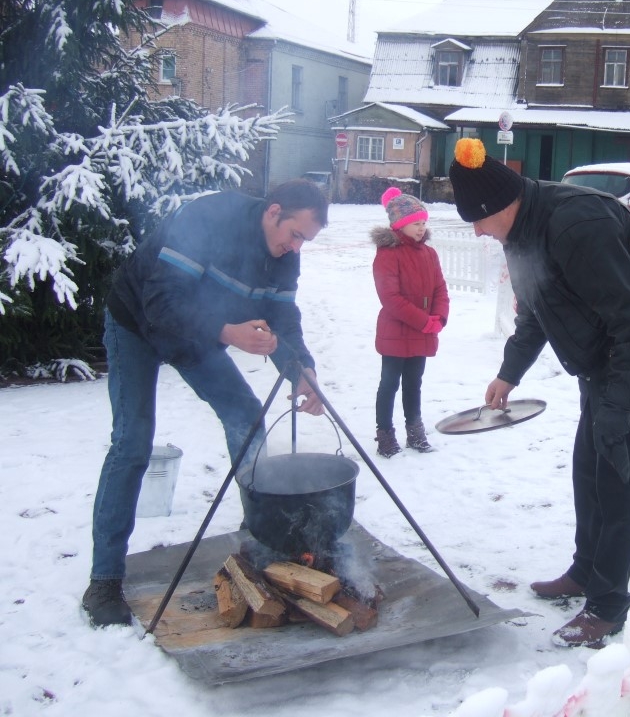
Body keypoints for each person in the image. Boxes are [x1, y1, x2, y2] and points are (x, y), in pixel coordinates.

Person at [448, 138, 630, 648]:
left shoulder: (575, 225)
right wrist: (509, 372)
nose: (476, 231)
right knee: (588, 467)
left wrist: (617, 405)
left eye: (477, 220)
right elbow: (536, 307)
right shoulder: (520, 230)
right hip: (606, 356)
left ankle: (608, 605)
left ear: (498, 206)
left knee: (617, 475)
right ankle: (586, 571)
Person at [82, 179, 329, 628]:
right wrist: (228, 331)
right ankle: (103, 579)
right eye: (295, 234)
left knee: (246, 417)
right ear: (273, 211)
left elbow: (283, 320)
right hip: (136, 322)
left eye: (304, 241)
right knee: (133, 441)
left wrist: (301, 372)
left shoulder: (284, 259)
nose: (296, 248)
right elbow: (160, 302)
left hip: (196, 335)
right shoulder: (209, 218)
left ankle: (261, 539)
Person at [370, 187, 449, 457]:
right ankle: (385, 435)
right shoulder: (387, 254)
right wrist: (423, 321)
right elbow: (390, 297)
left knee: (414, 383)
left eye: (424, 222)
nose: (421, 228)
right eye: (416, 223)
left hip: (423, 331)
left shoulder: (429, 254)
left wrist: (438, 317)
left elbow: (440, 288)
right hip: (396, 332)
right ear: (400, 225)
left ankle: (415, 432)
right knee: (389, 383)